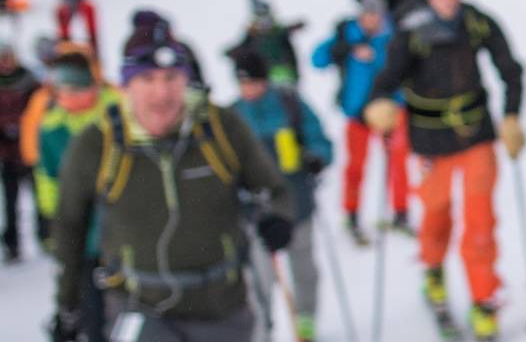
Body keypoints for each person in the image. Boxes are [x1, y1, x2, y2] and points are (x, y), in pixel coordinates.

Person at [49, 21, 295, 342]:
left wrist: (278, 217)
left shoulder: (219, 127)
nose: (161, 93)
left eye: (171, 78)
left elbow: (272, 188)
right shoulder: (99, 142)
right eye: (147, 79)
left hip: (222, 307)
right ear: (126, 85)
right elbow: (70, 224)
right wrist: (68, 304)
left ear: (185, 79)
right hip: (138, 306)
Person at [364, 0, 525, 339]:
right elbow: (388, 76)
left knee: (480, 220)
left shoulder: (476, 22)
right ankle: (434, 271)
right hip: (429, 140)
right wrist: (380, 103)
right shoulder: (411, 28)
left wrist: (511, 115)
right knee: (436, 213)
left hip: (476, 134)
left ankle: (484, 300)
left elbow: (510, 68)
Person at [228, 50, 331, 342]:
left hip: (296, 200)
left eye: (254, 83)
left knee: (303, 266)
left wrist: (316, 157)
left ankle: (306, 319)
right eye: (243, 84)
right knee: (258, 280)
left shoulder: (289, 105)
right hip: (255, 212)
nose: (249, 89)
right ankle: (263, 328)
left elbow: (318, 138)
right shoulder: (232, 115)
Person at [21, 42, 119, 341]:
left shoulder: (119, 112)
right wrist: (54, 220)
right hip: (84, 236)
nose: (71, 98)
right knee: (91, 308)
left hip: (125, 230)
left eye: (77, 90)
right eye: (64, 91)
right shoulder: (51, 127)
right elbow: (48, 180)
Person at [312, 0, 412, 243]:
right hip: (357, 114)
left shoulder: (393, 37)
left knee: (399, 163)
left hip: (390, 111)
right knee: (356, 166)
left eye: (376, 14)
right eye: (367, 14)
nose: (371, 20)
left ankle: (401, 212)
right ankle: (352, 213)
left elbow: (403, 67)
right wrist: (346, 48)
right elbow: (317, 59)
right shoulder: (347, 33)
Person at [0, 44, 40, 262]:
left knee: (40, 198)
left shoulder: (28, 80)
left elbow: (38, 110)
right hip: (7, 153)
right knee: (10, 202)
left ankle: (46, 236)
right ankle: (12, 244)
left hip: (29, 149)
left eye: (8, 57)